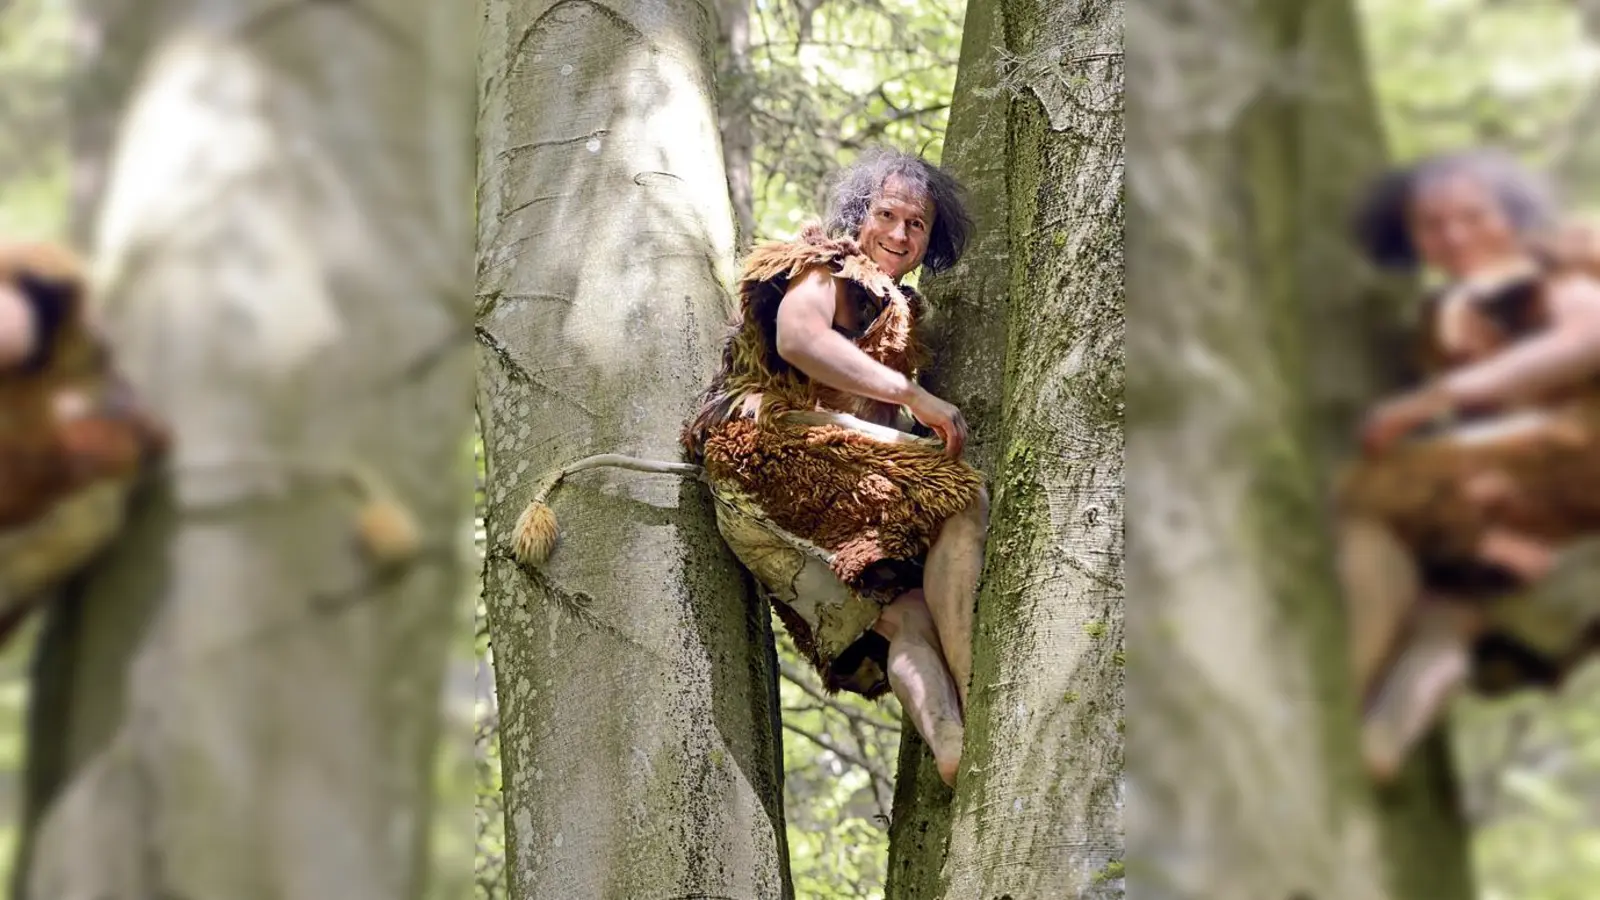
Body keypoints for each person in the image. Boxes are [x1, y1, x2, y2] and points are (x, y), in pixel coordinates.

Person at [680, 147, 988, 787]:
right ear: (859, 215)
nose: (900, 234)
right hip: (771, 452)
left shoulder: (896, 315)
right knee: (961, 498)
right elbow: (799, 339)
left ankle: (952, 742)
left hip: (771, 515)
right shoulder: (825, 266)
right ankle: (982, 694)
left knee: (905, 616)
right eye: (888, 215)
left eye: (917, 224)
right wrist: (913, 397)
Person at [1336, 148, 1600, 780]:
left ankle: (1343, 691)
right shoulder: (1450, 316)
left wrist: (1442, 395)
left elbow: (1586, 339)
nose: (1455, 236)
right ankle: (1380, 742)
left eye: (1473, 215)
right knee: (1447, 615)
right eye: (1432, 225)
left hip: (1579, 455)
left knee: (1370, 494)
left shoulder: (1556, 268)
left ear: (1510, 215)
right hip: (1541, 501)